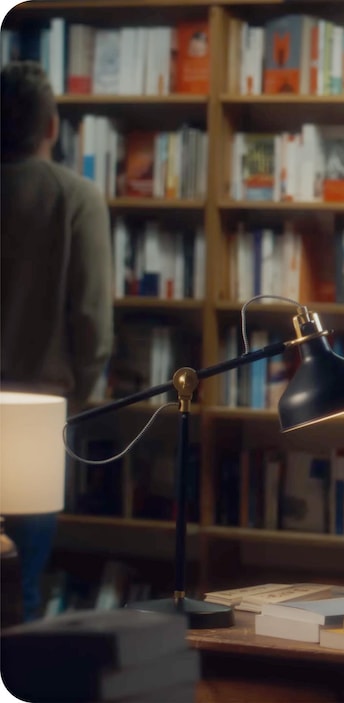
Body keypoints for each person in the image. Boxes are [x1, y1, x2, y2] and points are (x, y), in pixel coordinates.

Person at [1, 61, 114, 621]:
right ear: (51, 126)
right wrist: (82, 396)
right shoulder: (76, 196)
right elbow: (92, 318)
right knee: (19, 588)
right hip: (38, 418)